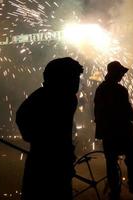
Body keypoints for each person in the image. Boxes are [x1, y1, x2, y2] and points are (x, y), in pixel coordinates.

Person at [15, 57, 83, 200]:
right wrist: (42, 141)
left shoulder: (66, 98)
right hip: (45, 162)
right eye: (74, 77)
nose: (77, 82)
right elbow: (23, 117)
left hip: (52, 159)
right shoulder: (49, 97)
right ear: (61, 79)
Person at [94, 61, 133, 200]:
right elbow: (127, 111)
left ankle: (115, 189)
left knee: (111, 161)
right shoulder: (120, 90)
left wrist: (101, 131)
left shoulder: (101, 89)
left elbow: (98, 112)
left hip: (108, 132)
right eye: (120, 73)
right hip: (123, 132)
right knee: (131, 159)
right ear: (114, 73)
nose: (122, 76)